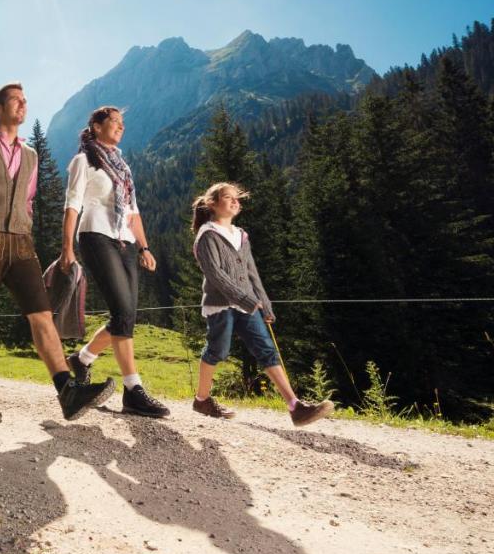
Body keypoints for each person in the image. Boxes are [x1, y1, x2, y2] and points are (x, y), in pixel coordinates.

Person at [0, 83, 116, 423]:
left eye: (25, 101)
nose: (23, 105)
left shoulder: (31, 155)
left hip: (21, 243)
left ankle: (67, 391)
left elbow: (27, 200)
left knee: (41, 314)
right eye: (15, 101)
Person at [190, 182, 333, 426]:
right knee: (218, 351)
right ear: (212, 203)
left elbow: (251, 272)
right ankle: (201, 399)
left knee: (267, 350)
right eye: (228, 198)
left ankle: (295, 407)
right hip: (221, 305)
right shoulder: (207, 235)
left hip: (249, 304)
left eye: (237, 199)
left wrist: (264, 303)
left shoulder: (241, 235)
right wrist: (245, 298)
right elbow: (214, 274)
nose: (235, 202)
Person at [60, 106, 170, 418]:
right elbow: (72, 206)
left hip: (125, 241)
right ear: (95, 126)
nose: (121, 127)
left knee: (126, 316)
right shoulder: (84, 160)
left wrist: (145, 247)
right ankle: (133, 390)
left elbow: (133, 212)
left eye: (123, 123)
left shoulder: (122, 167)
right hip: (95, 235)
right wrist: (66, 248)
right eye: (114, 122)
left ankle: (81, 360)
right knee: (122, 312)